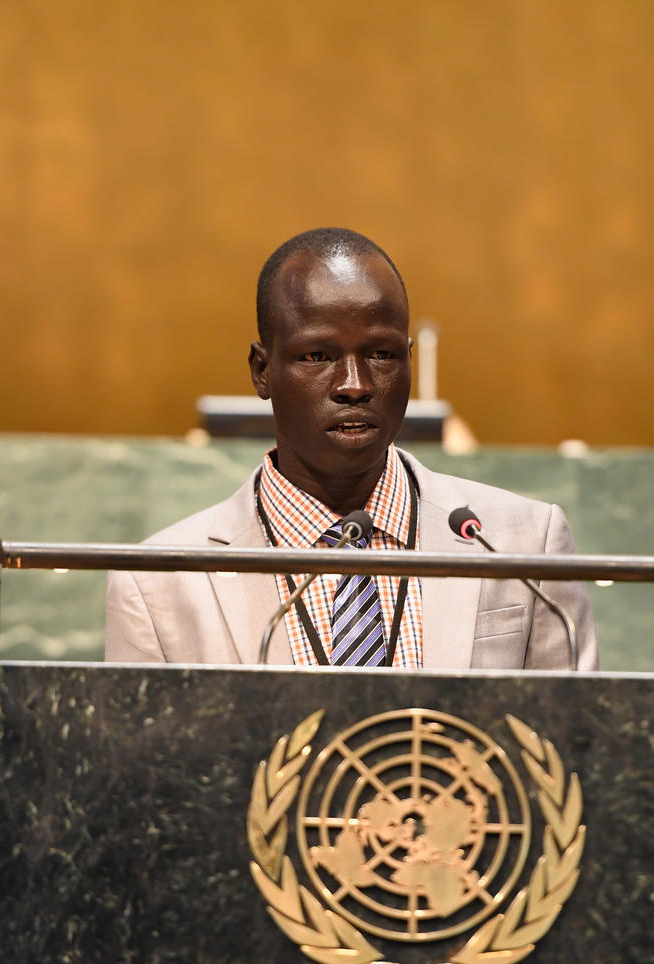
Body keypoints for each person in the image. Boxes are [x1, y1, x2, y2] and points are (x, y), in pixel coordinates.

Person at [105, 228, 597, 670]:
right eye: (317, 356)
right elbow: (146, 769)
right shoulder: (159, 584)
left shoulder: (522, 544)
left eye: (381, 354)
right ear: (261, 370)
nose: (355, 386)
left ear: (408, 361)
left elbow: (574, 749)